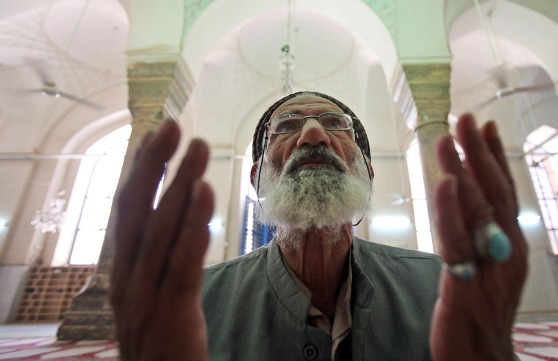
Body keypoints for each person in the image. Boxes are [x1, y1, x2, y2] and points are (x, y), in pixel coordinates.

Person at [111, 91, 528, 361]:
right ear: (257, 177)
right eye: (288, 126)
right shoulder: (199, 302)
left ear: (367, 170)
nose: (313, 134)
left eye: (334, 123)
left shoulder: (438, 286)